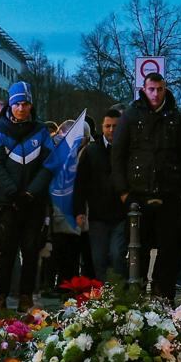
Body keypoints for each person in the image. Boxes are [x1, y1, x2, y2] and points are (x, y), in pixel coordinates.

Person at [109, 72, 181, 298]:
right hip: (137, 194)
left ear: (165, 89)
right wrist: (123, 192)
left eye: (159, 89)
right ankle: (136, 294)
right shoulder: (130, 116)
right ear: (144, 89)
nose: (155, 94)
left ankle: (162, 295)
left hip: (169, 194)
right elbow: (117, 154)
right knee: (138, 248)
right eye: (151, 89)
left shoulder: (175, 118)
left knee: (170, 250)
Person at [0, 83, 53, 313]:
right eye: (17, 104)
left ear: (31, 104)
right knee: (6, 250)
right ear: (10, 105)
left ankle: (26, 296)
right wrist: (13, 192)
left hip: (33, 201)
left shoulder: (41, 131)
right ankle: (0, 296)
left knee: (31, 250)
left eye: (25, 104)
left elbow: (48, 165)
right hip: (8, 201)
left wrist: (31, 192)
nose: (21, 108)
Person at [80, 107, 126, 281]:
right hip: (98, 215)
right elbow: (81, 182)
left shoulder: (127, 150)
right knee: (98, 258)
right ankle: (102, 296)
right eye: (108, 126)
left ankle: (118, 292)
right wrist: (79, 210)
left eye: (115, 126)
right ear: (102, 127)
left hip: (120, 214)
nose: (111, 130)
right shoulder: (92, 150)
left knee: (117, 255)